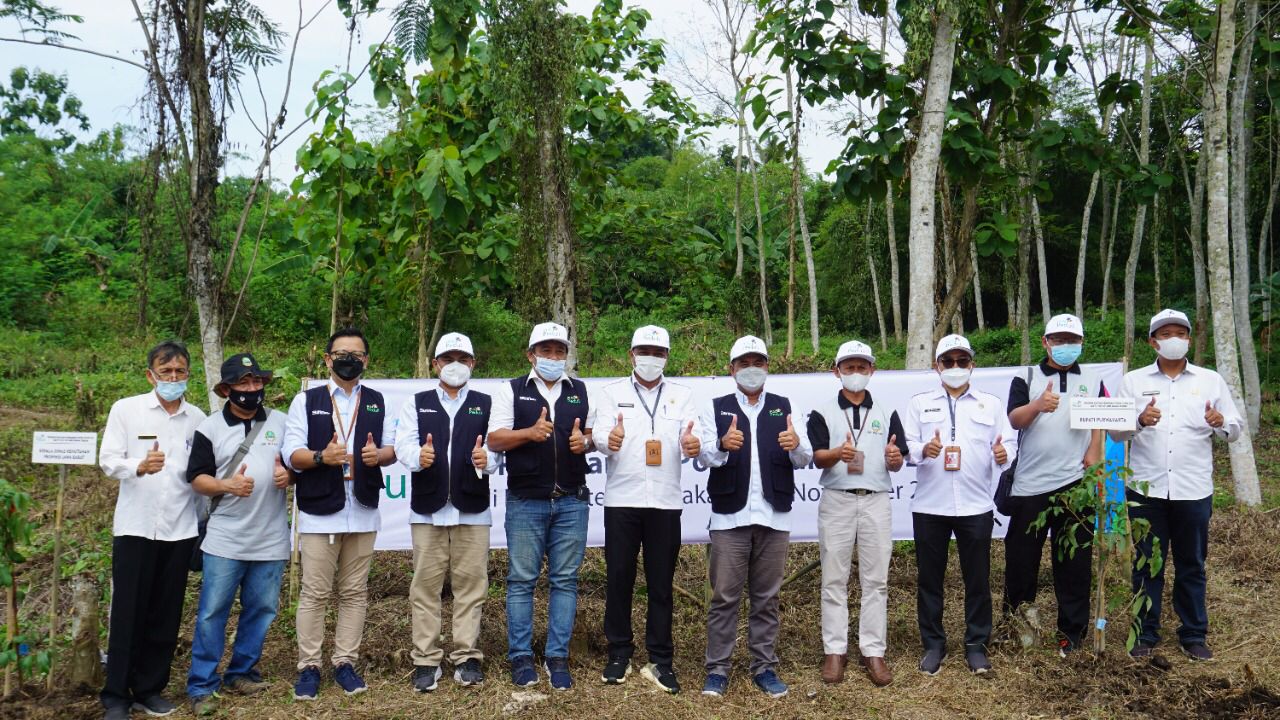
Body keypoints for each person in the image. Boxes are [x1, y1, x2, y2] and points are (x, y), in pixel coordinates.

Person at [1110, 309, 1243, 661]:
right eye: (1165, 333)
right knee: (1146, 564)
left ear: (1188, 339)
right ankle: (1144, 634)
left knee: (1191, 563)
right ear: (1153, 341)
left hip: (1193, 488)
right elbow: (1115, 432)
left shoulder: (1210, 380)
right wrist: (1138, 420)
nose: (1174, 339)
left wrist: (1220, 422)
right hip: (1146, 489)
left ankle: (1194, 634)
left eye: (1180, 333)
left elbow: (1235, 427)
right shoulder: (1133, 382)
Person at [695, 335, 813, 699]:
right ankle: (718, 670)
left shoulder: (784, 406)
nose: (751, 369)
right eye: (743, 363)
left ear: (767, 367)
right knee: (724, 598)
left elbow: (805, 457)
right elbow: (701, 458)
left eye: (758, 362)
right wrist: (720, 445)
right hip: (730, 519)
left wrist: (797, 447)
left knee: (767, 598)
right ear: (731, 369)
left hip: (774, 518)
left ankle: (763, 667)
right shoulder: (714, 408)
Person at [282, 327, 397, 700]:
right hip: (320, 510)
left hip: (362, 508)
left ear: (366, 360)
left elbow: (392, 449)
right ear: (328, 359)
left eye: (357, 355)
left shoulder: (379, 400)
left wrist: (376, 456)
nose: (349, 360)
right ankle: (309, 667)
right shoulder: (307, 400)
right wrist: (320, 457)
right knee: (315, 593)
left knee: (353, 593)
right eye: (341, 354)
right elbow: (291, 453)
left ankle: (345, 662)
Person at [98, 340, 207, 720]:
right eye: (166, 372)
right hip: (136, 526)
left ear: (188, 375)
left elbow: (199, 474)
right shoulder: (126, 410)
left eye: (180, 372)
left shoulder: (197, 418)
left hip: (180, 528)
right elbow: (108, 459)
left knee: (166, 611)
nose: (173, 378)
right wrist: (138, 466)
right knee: (128, 610)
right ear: (151, 375)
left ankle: (149, 689)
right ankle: (115, 695)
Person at [486, 322, 596, 691]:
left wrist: (587, 441)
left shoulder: (579, 390)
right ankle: (520, 657)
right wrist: (528, 434)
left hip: (571, 501)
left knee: (565, 581)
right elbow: (496, 438)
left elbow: (592, 437)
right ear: (530, 354)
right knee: (521, 582)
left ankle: (557, 657)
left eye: (559, 351)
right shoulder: (512, 390)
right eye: (545, 350)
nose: (553, 357)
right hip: (525, 501)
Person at [593, 325, 700, 694]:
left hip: (666, 502)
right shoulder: (611, 394)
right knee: (619, 578)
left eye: (658, 351)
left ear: (667, 357)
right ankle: (619, 653)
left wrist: (692, 444)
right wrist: (609, 439)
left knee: (661, 585)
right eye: (644, 350)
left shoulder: (684, 396)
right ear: (631, 354)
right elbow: (599, 436)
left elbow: (695, 437)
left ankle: (660, 660)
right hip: (622, 500)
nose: (651, 357)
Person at [185, 354, 292, 716]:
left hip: (271, 537)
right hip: (225, 539)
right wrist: (226, 484)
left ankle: (242, 672)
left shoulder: (281, 422)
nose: (251, 390)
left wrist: (289, 478)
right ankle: (202, 683)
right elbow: (197, 478)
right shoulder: (210, 428)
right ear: (227, 389)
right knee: (212, 612)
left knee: (261, 610)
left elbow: (296, 463)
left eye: (257, 382)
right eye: (243, 384)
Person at [903, 334, 1015, 675]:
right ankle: (933, 645)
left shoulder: (991, 404)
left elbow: (1008, 444)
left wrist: (1003, 455)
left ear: (972, 365)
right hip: (930, 506)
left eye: (961, 361)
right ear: (937, 366)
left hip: (975, 505)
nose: (955, 367)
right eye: (948, 361)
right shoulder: (919, 403)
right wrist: (925, 450)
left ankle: (976, 646)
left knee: (978, 580)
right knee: (930, 580)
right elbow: (907, 447)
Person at [393, 332, 499, 692]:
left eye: (463, 358)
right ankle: (426, 659)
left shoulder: (487, 403)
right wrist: (416, 458)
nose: (455, 364)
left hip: (473, 510)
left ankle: (467, 656)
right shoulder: (417, 402)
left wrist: (491, 459)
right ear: (435, 363)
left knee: (472, 587)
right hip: (428, 510)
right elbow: (403, 444)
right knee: (425, 588)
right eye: (447, 358)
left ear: (473, 363)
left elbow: (498, 447)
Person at [1003, 314, 1105, 656]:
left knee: (1074, 563)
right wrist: (1037, 405)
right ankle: (1020, 630)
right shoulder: (1027, 375)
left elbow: (1100, 419)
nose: (1065, 346)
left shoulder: (1092, 378)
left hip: (1075, 485)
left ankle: (1071, 635)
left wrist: (1094, 451)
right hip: (1030, 485)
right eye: (1058, 340)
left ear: (1081, 343)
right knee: (1021, 562)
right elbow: (1015, 418)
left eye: (1072, 340)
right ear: (1045, 342)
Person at [806, 340, 907, 687]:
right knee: (833, 579)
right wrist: (838, 453)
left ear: (872, 371)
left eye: (861, 367)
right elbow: (817, 456)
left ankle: (873, 651)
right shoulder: (821, 411)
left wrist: (896, 459)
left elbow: (899, 456)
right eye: (848, 367)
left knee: (876, 580)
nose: (855, 373)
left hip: (876, 499)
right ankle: (835, 650)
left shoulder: (887, 410)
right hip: (837, 499)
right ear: (837, 371)